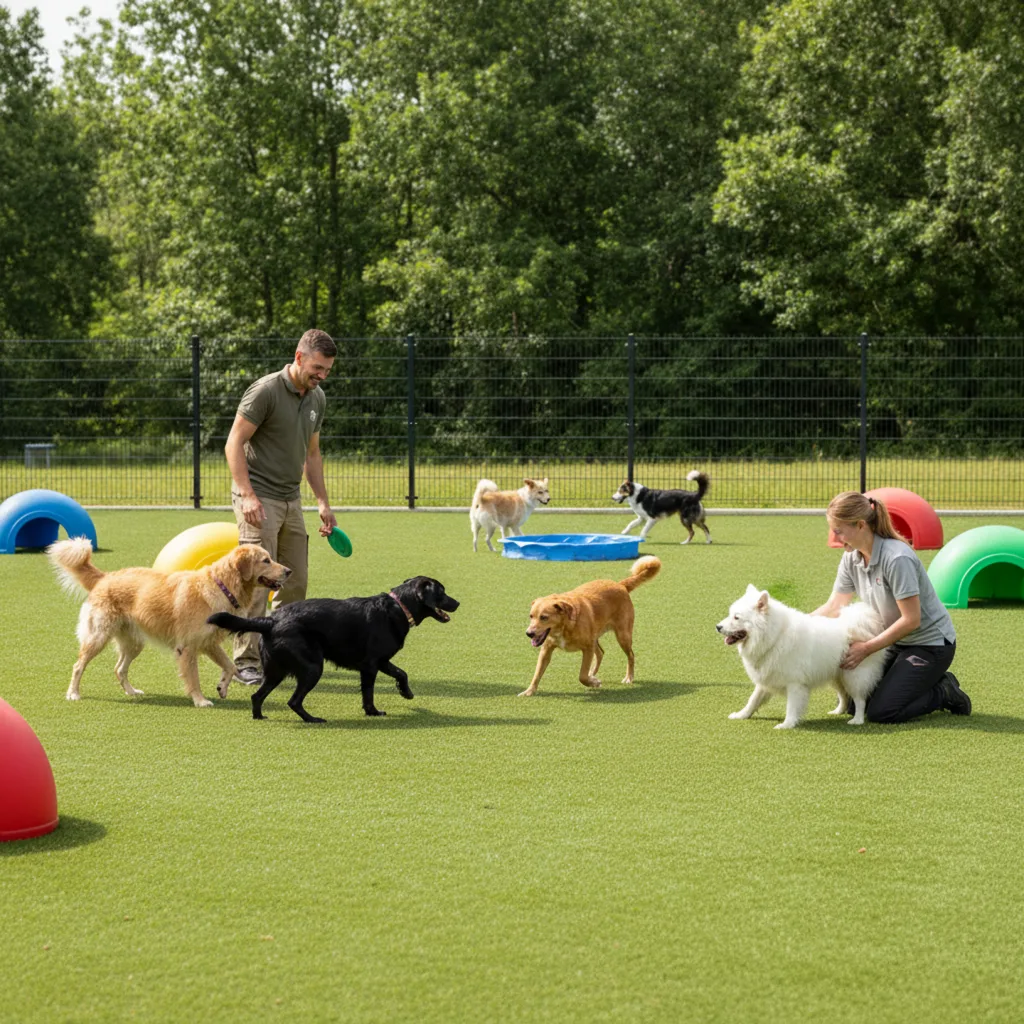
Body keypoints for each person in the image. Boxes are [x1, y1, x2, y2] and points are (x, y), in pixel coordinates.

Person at [224, 329, 338, 684]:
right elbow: (234, 442)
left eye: (328, 370)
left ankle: (279, 653)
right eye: (317, 367)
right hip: (258, 496)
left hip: (292, 499)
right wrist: (247, 495)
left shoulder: (317, 398)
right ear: (299, 357)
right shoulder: (266, 391)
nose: (322, 376)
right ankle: (245, 661)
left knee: (294, 582)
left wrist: (322, 502)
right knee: (256, 583)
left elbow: (312, 454)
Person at [813, 490, 971, 723]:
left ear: (859, 525)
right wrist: (794, 627)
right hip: (894, 644)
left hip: (929, 646)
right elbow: (834, 606)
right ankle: (916, 682)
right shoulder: (851, 558)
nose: (836, 539)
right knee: (856, 704)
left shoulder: (897, 558)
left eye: (839, 531)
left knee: (882, 712)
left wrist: (866, 648)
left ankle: (943, 691)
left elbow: (912, 619)